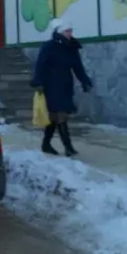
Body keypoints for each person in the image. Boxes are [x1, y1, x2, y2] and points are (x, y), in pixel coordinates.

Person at [31, 18, 92, 156]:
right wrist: (38, 82)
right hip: (51, 85)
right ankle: (68, 147)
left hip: (65, 85)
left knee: (55, 117)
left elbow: (77, 67)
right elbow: (40, 65)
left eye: (70, 31)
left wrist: (85, 81)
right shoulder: (49, 46)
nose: (70, 33)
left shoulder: (72, 47)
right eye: (67, 31)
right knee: (60, 116)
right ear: (59, 32)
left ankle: (46, 144)